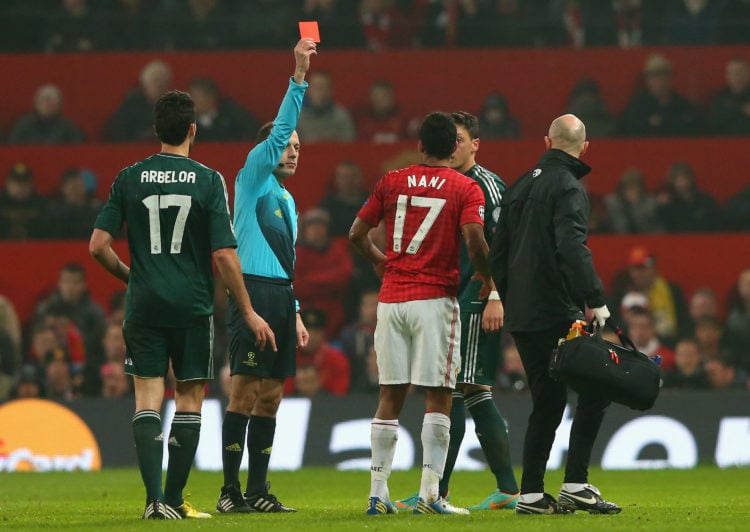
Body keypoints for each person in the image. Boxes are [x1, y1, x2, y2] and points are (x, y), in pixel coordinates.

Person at [89, 89, 275, 519]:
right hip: (191, 306)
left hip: (144, 304)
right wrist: (246, 309)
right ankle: (174, 500)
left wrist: (132, 276)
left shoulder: (129, 177)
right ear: (194, 130)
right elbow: (225, 255)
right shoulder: (209, 180)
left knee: (147, 398)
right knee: (189, 396)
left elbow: (98, 246)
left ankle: (153, 501)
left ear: (156, 130)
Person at [349, 111, 493, 516]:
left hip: (391, 300)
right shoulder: (466, 188)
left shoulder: (391, 181)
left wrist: (380, 262)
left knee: (389, 394)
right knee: (440, 395)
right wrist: (487, 276)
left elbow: (356, 234)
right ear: (453, 147)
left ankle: (377, 494)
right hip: (434, 301)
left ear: (420, 145)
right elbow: (476, 240)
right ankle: (430, 495)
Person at [489, 114, 620, 515]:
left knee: (547, 400)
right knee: (596, 390)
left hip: (525, 315)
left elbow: (498, 254)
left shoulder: (519, 185)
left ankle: (530, 494)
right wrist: (595, 300)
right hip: (560, 312)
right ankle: (576, 484)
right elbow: (571, 247)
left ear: (547, 141)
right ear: (585, 147)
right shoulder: (569, 187)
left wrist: (513, 300)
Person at [395, 111, 519, 512]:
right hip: (453, 296)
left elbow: (504, 245)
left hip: (476, 295)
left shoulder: (485, 185)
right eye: (451, 139)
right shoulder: (450, 185)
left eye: (461, 139)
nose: (454, 145)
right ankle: (457, 489)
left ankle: (450, 491)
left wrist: (496, 293)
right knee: (463, 389)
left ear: (475, 145)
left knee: (463, 388)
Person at [217, 38, 316, 515]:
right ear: (269, 147)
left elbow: (286, 261)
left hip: (279, 296)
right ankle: (229, 491)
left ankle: (257, 491)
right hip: (251, 293)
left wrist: (293, 311)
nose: (294, 151)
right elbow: (278, 133)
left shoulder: (289, 200)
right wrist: (298, 76)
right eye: (288, 144)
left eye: (298, 146)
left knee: (272, 396)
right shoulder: (252, 178)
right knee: (246, 390)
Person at [293, 208, 354, 338]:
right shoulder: (295, 253)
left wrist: (310, 280)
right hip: (303, 313)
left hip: (336, 316)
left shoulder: (338, 249)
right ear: (304, 229)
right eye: (312, 226)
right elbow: (297, 286)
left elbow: (344, 277)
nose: (316, 230)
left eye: (320, 226)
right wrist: (328, 282)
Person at [618, 53, 703, 137]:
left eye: (664, 75)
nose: (660, 81)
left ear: (671, 78)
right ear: (647, 80)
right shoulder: (637, 105)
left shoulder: (682, 104)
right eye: (654, 76)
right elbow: (632, 130)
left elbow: (695, 126)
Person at [283, 308, 350, 397]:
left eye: (316, 331)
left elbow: (340, 395)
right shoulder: (285, 357)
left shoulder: (336, 359)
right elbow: (279, 393)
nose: (311, 336)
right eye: (305, 330)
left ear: (324, 333)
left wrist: (319, 388)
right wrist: (296, 385)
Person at [103, 59, 172, 141]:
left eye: (164, 81)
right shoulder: (131, 107)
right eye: (156, 80)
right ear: (144, 83)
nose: (160, 85)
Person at [6, 84, 85, 144]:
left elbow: (78, 152)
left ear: (60, 104)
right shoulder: (22, 126)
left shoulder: (69, 128)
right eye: (43, 99)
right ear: (35, 103)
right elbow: (11, 149)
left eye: (51, 100)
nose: (46, 103)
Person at [188, 77, 260, 142]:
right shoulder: (186, 122)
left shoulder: (233, 116)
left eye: (195, 96)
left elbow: (253, 132)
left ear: (210, 98)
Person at [296, 70, 356, 142]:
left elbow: (350, 146)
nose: (319, 92)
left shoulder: (341, 116)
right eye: (315, 87)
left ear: (330, 90)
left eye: (322, 87)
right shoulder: (298, 118)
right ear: (309, 90)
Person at [604, 167, 662, 234]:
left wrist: (635, 205)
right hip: (619, 240)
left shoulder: (650, 203)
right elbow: (619, 227)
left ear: (640, 189)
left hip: (647, 239)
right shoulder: (613, 203)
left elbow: (653, 228)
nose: (631, 192)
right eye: (627, 188)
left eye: (634, 189)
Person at [0, 162, 48, 239]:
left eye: (25, 184)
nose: (20, 188)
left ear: (32, 185)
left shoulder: (41, 204)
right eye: (16, 183)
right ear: (8, 183)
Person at [707, 56, 750, 136]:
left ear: (748, 74)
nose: (736, 76)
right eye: (732, 73)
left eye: (740, 72)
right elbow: (714, 123)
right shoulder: (719, 99)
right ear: (727, 76)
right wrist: (741, 110)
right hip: (725, 144)